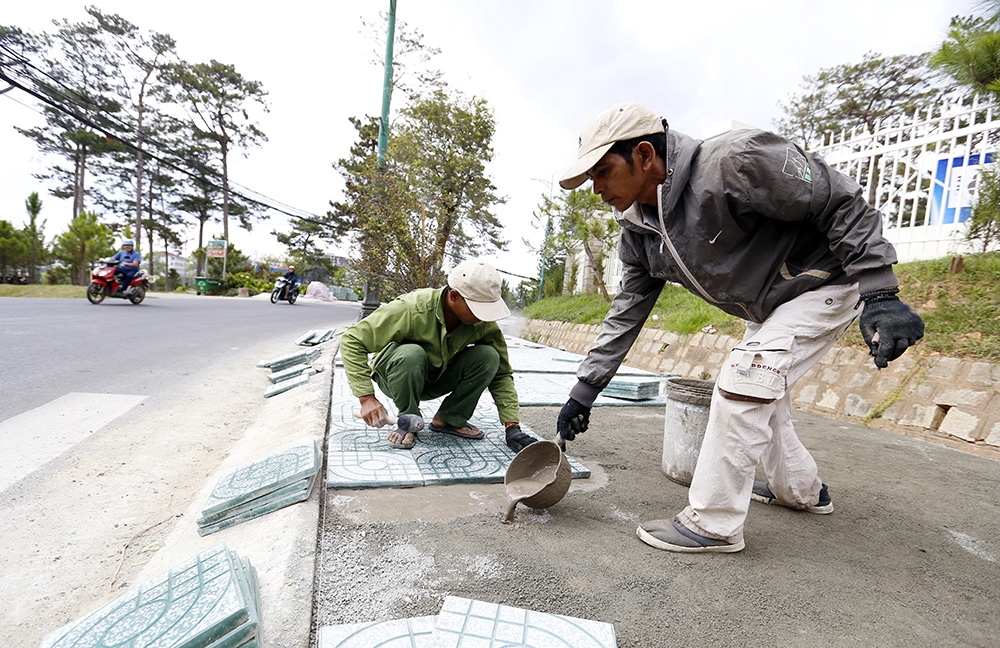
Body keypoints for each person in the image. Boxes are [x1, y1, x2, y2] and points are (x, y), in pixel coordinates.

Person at [555, 102, 924, 553]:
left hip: (826, 280)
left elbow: (837, 199)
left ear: (645, 155)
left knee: (745, 382)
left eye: (602, 171)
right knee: (767, 394)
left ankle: (713, 523)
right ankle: (803, 491)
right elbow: (627, 310)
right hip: (773, 307)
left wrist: (880, 292)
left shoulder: (734, 162)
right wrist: (584, 391)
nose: (596, 188)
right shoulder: (638, 231)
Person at [340, 259, 535, 453]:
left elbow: (501, 374)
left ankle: (448, 419)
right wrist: (367, 399)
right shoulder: (412, 308)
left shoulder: (483, 323)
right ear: (454, 296)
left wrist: (512, 427)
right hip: (398, 374)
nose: (483, 316)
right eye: (478, 308)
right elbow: (352, 340)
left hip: (437, 376)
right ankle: (408, 418)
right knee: (411, 354)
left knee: (489, 356)